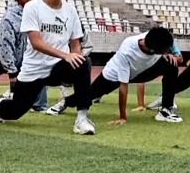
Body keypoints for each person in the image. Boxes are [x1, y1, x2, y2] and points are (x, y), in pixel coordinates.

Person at [0, 0, 95, 134]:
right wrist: (66, 55)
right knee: (14, 112)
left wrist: (75, 62)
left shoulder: (70, 10)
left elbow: (75, 44)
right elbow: (36, 43)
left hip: (57, 68)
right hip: (34, 70)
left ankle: (82, 118)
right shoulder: (32, 7)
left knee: (84, 62)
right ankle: (2, 102)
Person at [50, 27, 183, 124]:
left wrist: (174, 57)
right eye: (165, 51)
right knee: (90, 94)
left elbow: (178, 56)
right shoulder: (128, 51)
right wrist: (123, 117)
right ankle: (65, 102)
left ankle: (166, 110)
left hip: (142, 71)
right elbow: (123, 87)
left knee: (171, 66)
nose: (168, 50)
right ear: (153, 50)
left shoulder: (157, 36)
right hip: (114, 75)